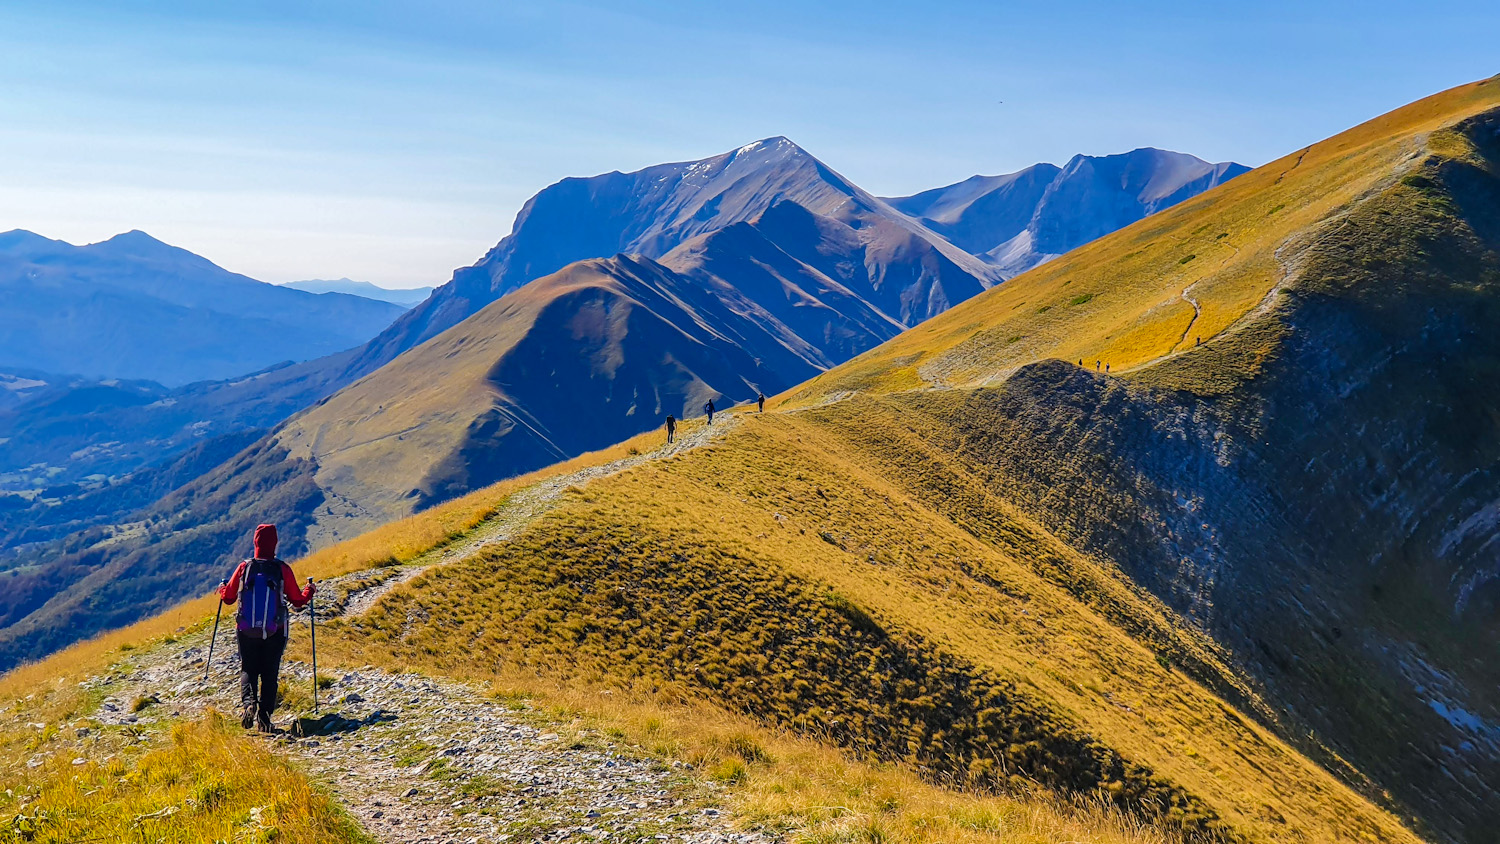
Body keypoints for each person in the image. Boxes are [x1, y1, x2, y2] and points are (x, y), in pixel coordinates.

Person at [217, 524, 314, 733]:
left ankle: (248, 704)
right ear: (275, 543)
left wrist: (223, 588)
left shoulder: (245, 567)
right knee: (270, 674)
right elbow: (297, 601)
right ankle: (264, 719)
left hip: (246, 629)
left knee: (248, 669)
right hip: (275, 630)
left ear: (255, 542)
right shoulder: (282, 569)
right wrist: (309, 591)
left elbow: (229, 598)